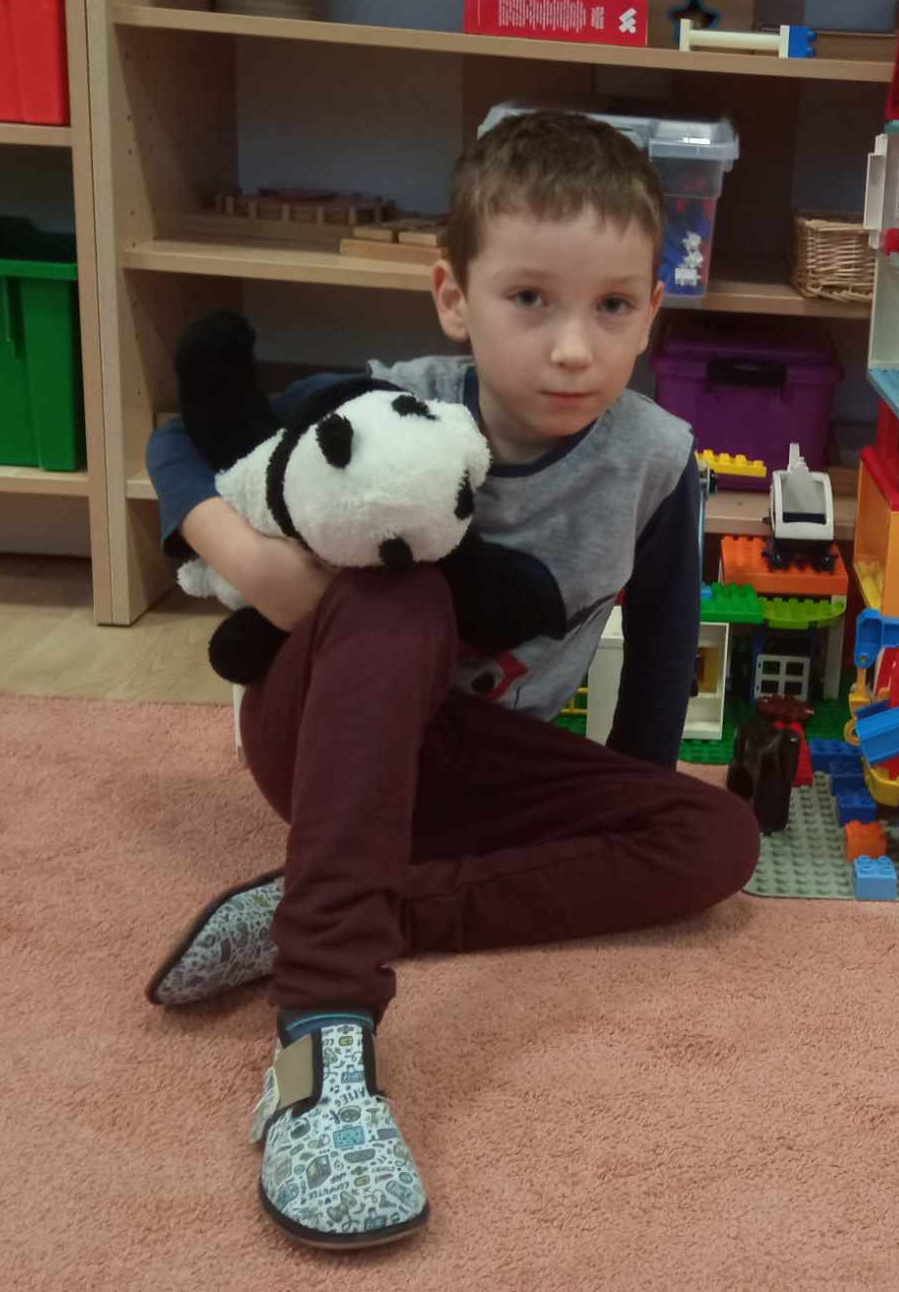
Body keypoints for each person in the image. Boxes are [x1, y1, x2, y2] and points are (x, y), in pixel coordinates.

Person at [141, 110, 761, 1251]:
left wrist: (625, 808)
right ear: (453, 296)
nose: (572, 349)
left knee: (716, 841)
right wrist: (254, 566)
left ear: (651, 313)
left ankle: (319, 903)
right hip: (324, 733)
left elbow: (665, 648)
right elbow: (183, 440)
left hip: (480, 766)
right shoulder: (380, 403)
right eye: (529, 299)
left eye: (612, 307)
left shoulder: (657, 459)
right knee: (403, 591)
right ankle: (320, 1033)